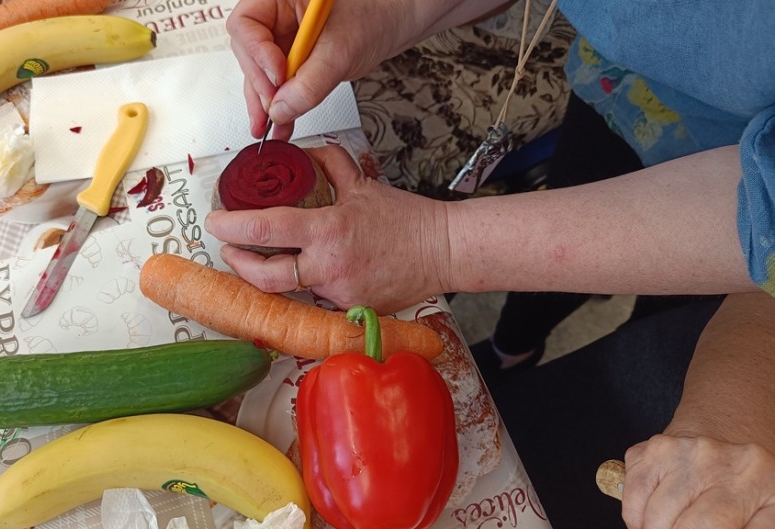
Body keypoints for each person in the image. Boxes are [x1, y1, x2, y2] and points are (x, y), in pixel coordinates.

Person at [208, 1, 775, 528]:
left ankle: (535, 349)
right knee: (558, 248)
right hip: (619, 89)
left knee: (665, 324)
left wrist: (441, 244)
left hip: (741, 233)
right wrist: (382, 10)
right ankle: (513, 348)